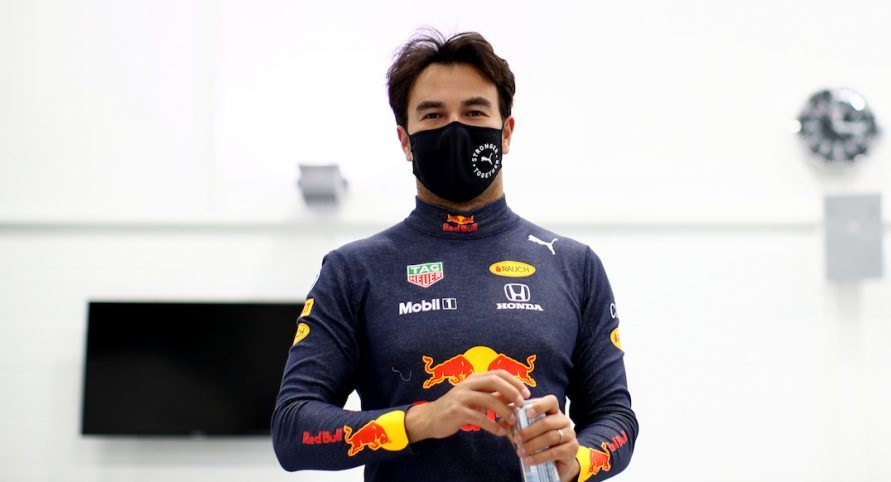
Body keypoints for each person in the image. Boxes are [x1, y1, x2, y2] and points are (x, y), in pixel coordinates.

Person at [272, 30, 637, 482]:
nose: (455, 128)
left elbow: (617, 420)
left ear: (506, 132)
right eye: (433, 115)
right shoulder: (354, 270)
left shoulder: (574, 266)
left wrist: (577, 458)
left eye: (474, 111)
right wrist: (423, 419)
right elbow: (292, 429)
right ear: (405, 141)